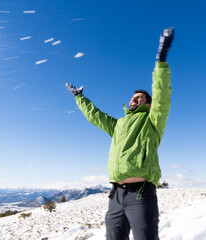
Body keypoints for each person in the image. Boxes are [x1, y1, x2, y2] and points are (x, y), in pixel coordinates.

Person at [66, 27, 174, 240]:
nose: (134, 99)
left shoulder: (152, 120)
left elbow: (162, 94)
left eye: (140, 98)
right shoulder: (118, 124)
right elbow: (95, 116)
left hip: (141, 194)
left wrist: (160, 61)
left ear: (149, 104)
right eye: (133, 97)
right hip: (116, 195)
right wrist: (80, 98)